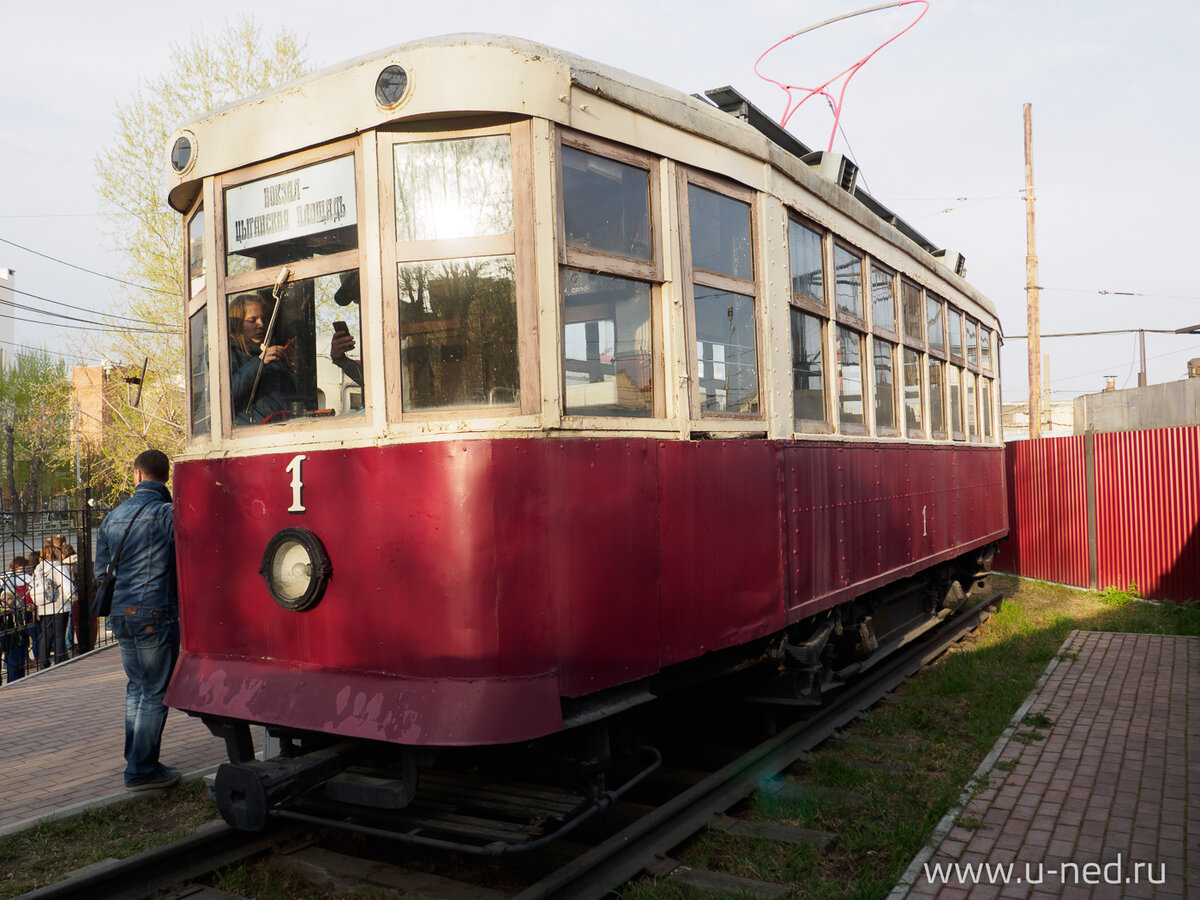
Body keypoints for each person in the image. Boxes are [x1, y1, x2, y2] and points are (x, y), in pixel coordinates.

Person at [95, 449, 180, 791]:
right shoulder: (165, 513)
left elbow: (102, 572)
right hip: (154, 613)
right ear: (166, 477)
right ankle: (142, 770)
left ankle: (136, 761)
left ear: (136, 475)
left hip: (120, 614)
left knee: (136, 689)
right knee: (156, 692)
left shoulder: (111, 517)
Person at [228, 292, 296, 424]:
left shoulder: (272, 355)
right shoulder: (230, 352)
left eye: (264, 319)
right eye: (252, 320)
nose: (261, 324)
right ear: (237, 324)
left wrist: (294, 370)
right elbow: (226, 393)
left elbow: (293, 399)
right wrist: (259, 363)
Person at [33, 539, 70, 667]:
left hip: (43, 606)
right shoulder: (60, 568)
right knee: (59, 635)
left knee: (46, 635)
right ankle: (60, 660)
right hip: (60, 605)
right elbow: (67, 587)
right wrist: (72, 598)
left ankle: (43, 662)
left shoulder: (38, 570)